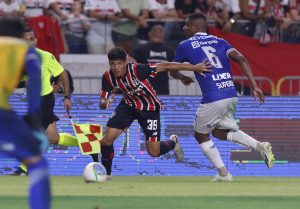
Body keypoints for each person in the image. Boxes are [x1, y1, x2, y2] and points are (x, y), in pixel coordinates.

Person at [173, 13, 275, 181]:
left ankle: (224, 174)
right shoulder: (220, 41)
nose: (184, 28)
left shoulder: (185, 45)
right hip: (230, 94)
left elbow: (173, 69)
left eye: (187, 25)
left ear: (196, 27)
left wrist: (183, 76)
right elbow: (241, 58)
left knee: (201, 135)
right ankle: (260, 146)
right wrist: (255, 86)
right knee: (220, 132)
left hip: (213, 97)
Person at [99, 47, 212, 177]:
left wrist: (195, 68)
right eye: (112, 63)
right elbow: (102, 102)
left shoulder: (138, 70)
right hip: (128, 106)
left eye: (119, 63)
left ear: (125, 63)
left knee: (154, 152)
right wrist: (104, 104)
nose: (116, 67)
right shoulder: (107, 77)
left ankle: (173, 142)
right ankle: (106, 174)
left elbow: (167, 66)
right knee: (107, 140)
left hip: (150, 109)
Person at [11, 27, 81, 175]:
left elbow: (63, 74)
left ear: (35, 40)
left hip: (45, 100)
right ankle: (85, 143)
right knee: (53, 138)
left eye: (31, 39)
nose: (28, 42)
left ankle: (25, 169)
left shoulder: (45, 56)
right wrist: (24, 83)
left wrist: (67, 97)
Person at [0, 17, 50, 209]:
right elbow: (34, 85)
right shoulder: (27, 51)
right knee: (36, 162)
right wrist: (33, 118)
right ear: (21, 35)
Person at [129, 24, 194, 95]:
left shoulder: (141, 48)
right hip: (162, 92)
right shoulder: (169, 51)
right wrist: (183, 77)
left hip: (144, 91)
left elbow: (129, 63)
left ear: (149, 34)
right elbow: (173, 72)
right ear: (163, 34)